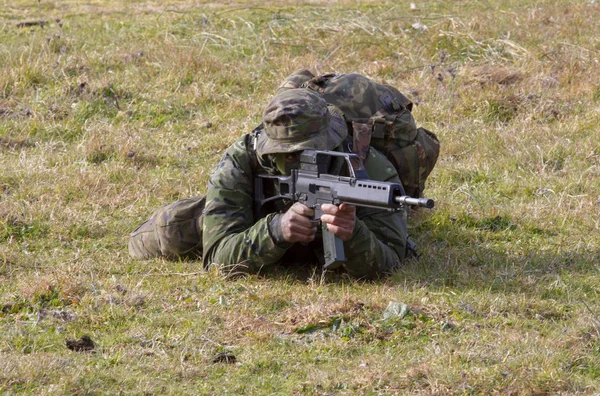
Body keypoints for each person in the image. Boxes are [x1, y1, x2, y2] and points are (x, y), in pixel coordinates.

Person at [129, 88, 413, 278]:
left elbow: (392, 262)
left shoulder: (368, 165)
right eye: (288, 154)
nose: (302, 158)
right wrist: (276, 230)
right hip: (254, 217)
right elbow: (217, 259)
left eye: (313, 148)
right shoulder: (241, 162)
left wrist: (353, 234)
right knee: (169, 232)